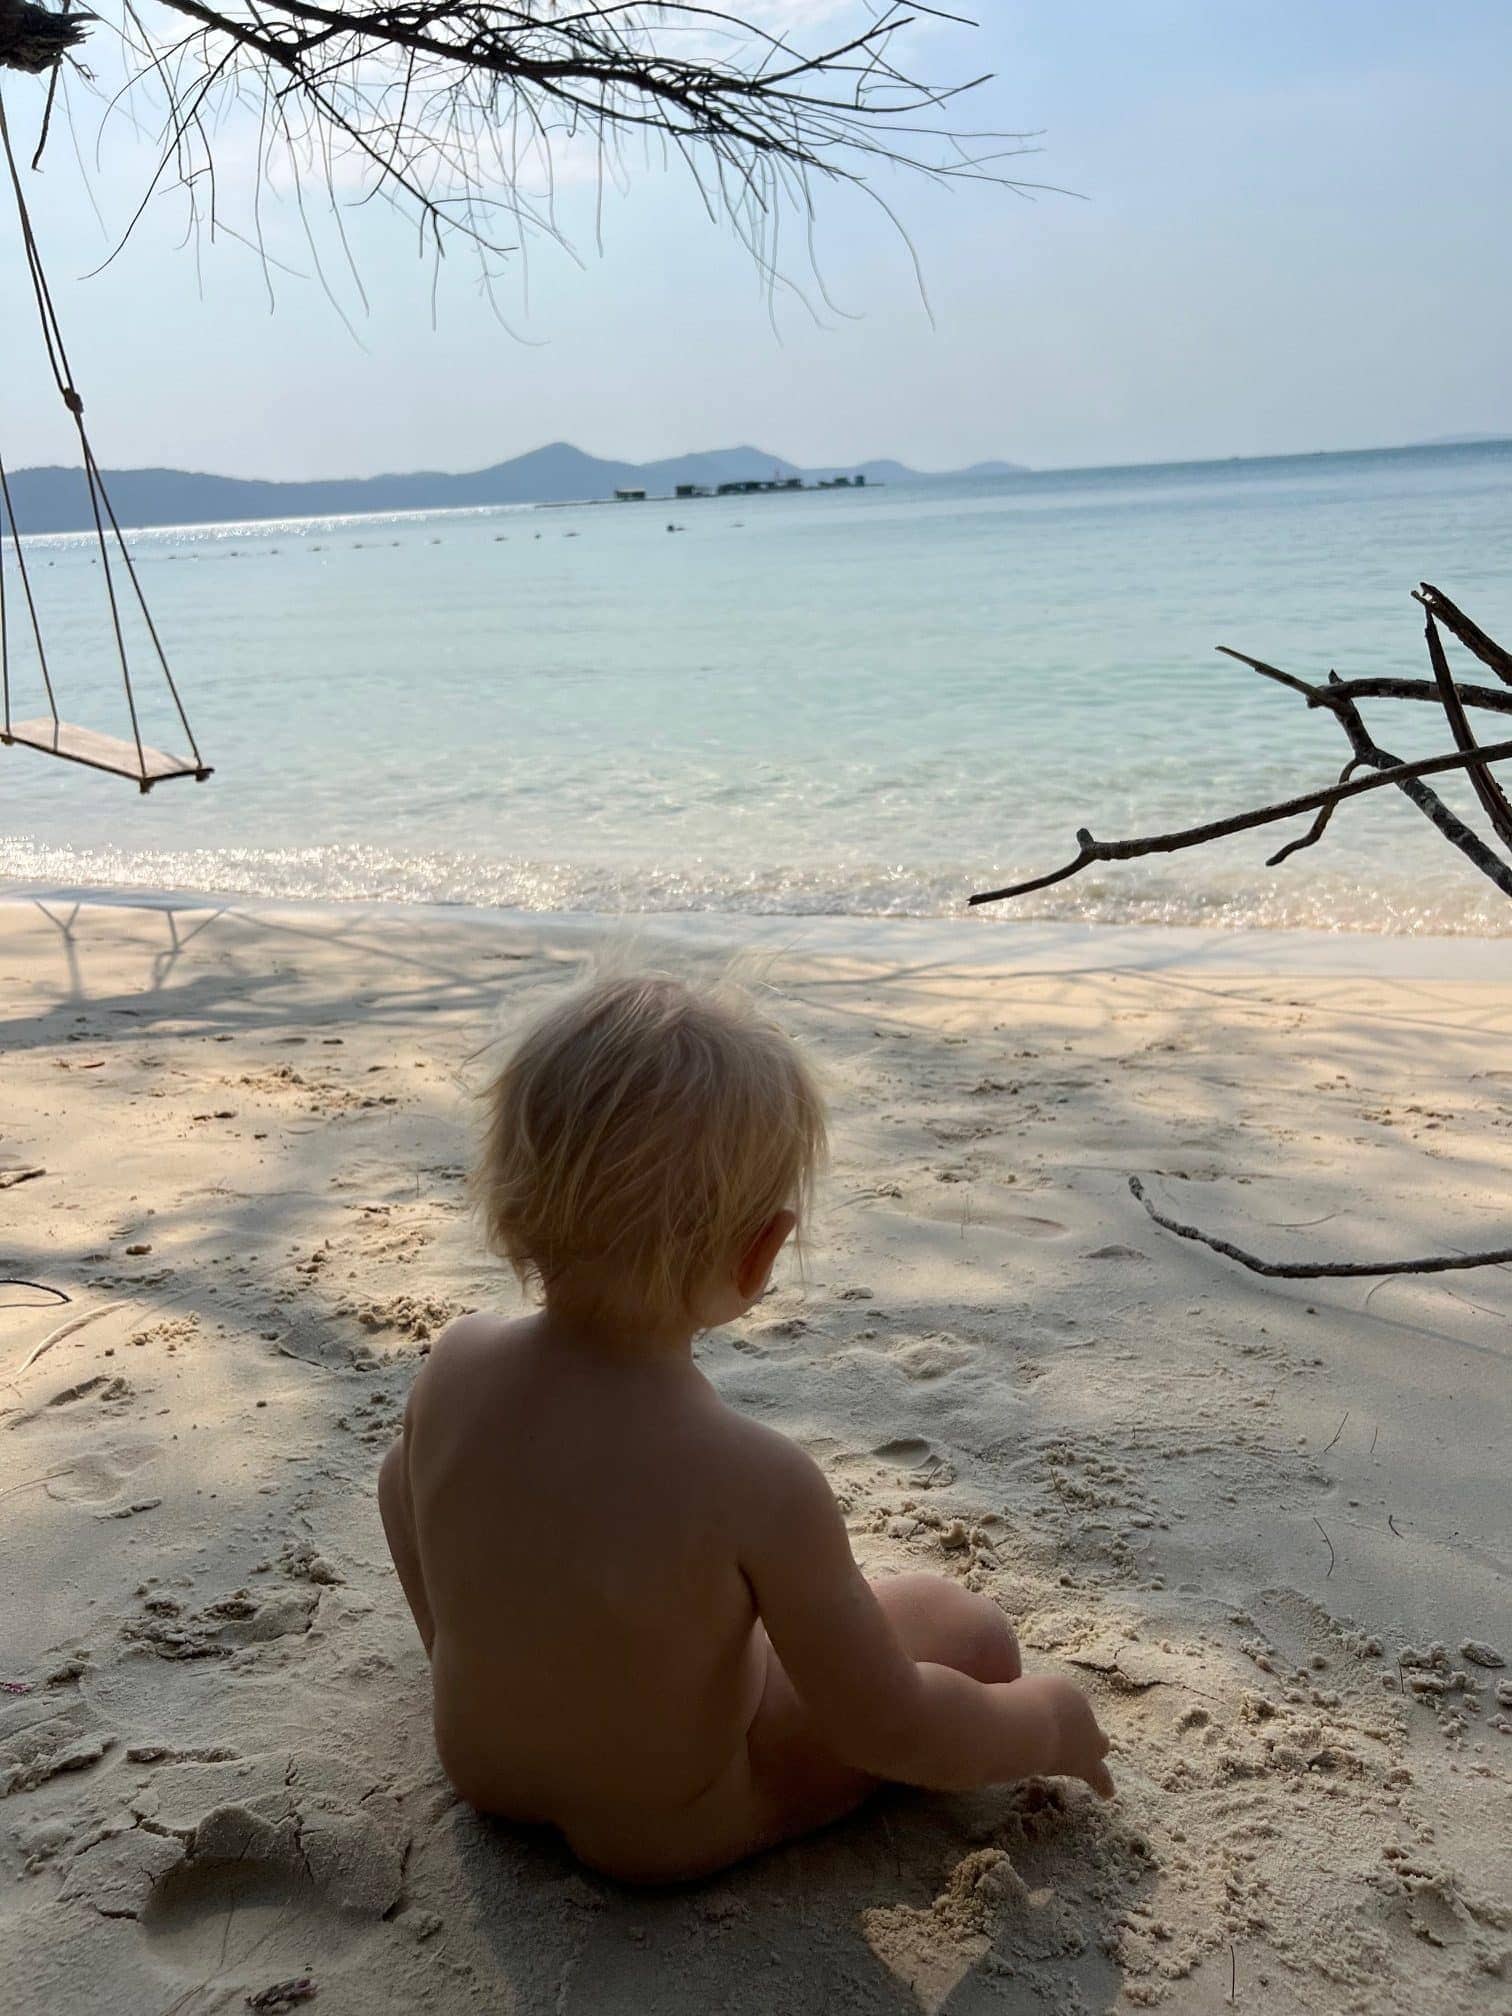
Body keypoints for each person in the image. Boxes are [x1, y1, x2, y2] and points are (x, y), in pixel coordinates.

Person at [379, 975, 1114, 1882]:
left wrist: (467, 1648)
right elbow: (886, 1725)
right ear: (760, 1251)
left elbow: (400, 1489)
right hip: (664, 1824)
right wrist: (1048, 1723)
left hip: (484, 1768)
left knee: (434, 1477)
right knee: (968, 1634)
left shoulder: (454, 1361)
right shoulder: (755, 1481)